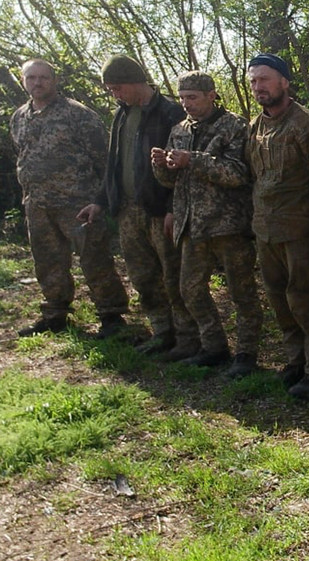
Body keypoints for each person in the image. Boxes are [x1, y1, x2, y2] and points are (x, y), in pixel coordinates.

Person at [77, 55, 199, 359]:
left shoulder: (170, 112)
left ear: (136, 81)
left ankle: (187, 338)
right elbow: (113, 165)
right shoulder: (121, 115)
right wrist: (100, 201)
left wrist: (173, 207)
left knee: (173, 276)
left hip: (160, 210)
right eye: (110, 90)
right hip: (127, 210)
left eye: (117, 88)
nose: (114, 94)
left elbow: (181, 168)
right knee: (143, 277)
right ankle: (162, 333)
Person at [152, 71, 262, 378]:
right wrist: (161, 166)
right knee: (190, 290)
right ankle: (214, 346)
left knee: (243, 294)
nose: (186, 104)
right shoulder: (179, 129)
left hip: (229, 225)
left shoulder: (235, 126)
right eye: (182, 98)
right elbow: (173, 181)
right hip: (193, 225)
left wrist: (193, 160)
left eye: (193, 97)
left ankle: (246, 353)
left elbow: (239, 173)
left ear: (211, 95)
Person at [10, 59, 129, 339]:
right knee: (48, 262)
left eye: (43, 77)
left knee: (95, 260)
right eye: (31, 78)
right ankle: (54, 314)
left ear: (55, 80)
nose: (37, 83)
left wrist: (102, 200)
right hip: (37, 204)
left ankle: (112, 316)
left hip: (78, 204)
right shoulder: (20, 117)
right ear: (23, 80)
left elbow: (105, 160)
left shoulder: (78, 115)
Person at [244, 53, 309, 398]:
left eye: (265, 79)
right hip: (265, 231)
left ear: (284, 81)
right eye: (253, 81)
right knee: (279, 301)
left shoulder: (305, 124)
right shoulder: (255, 127)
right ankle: (295, 362)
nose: (258, 87)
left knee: (306, 302)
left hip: (301, 232)